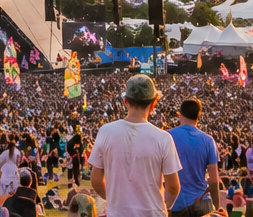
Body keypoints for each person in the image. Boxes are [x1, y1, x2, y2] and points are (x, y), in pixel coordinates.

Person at [89, 74, 182, 216]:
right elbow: (173, 187)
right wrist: (164, 206)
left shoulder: (105, 131)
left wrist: (115, 201)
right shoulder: (163, 138)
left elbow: (95, 179)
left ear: (125, 101)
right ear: (153, 104)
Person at [168, 97, 221, 217]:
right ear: (199, 116)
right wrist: (217, 207)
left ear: (179, 114)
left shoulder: (168, 137)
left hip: (175, 204)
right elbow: (213, 180)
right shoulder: (208, 140)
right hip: (201, 203)